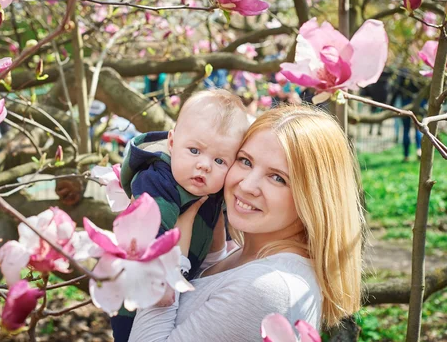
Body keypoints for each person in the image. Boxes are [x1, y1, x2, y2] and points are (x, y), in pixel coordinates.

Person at [128, 104, 365, 342]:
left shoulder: (266, 288)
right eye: (245, 161)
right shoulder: (252, 255)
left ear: (315, 198)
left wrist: (163, 265)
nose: (247, 185)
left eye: (277, 178)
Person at [112, 89, 250, 341]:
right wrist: (162, 278)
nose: (205, 165)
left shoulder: (212, 187)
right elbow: (151, 233)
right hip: (138, 287)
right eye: (195, 151)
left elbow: (223, 227)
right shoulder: (157, 180)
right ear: (173, 143)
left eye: (220, 160)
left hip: (186, 277)